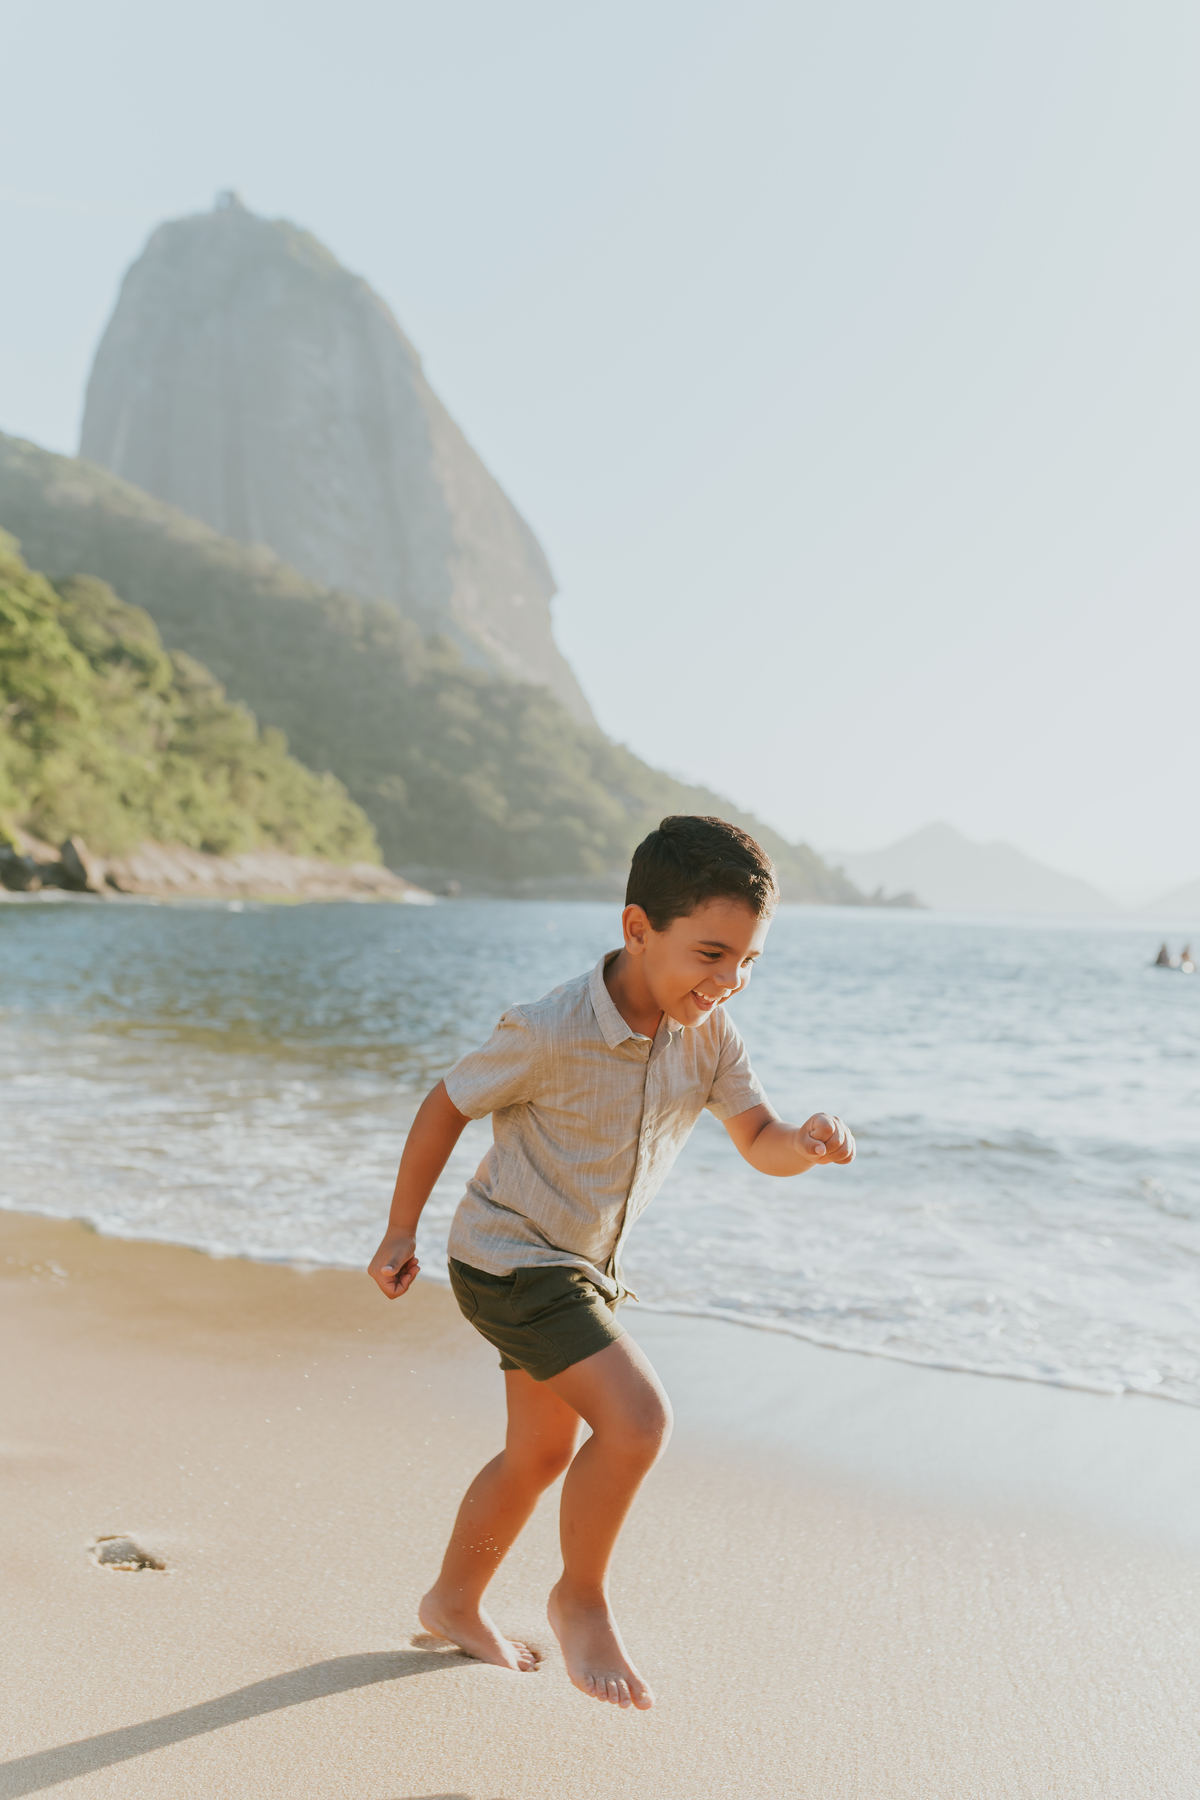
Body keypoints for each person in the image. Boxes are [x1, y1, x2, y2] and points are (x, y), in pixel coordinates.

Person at [368, 815, 855, 1712]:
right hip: (509, 1257)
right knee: (638, 1422)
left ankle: (452, 1603)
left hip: (578, 1270)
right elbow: (446, 1104)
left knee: (540, 1450)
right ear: (638, 930)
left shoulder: (711, 1035)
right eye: (711, 954)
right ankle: (578, 1597)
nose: (729, 981)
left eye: (748, 961)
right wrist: (400, 1231)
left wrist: (808, 1146)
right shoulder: (551, 1028)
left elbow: (759, 1137)